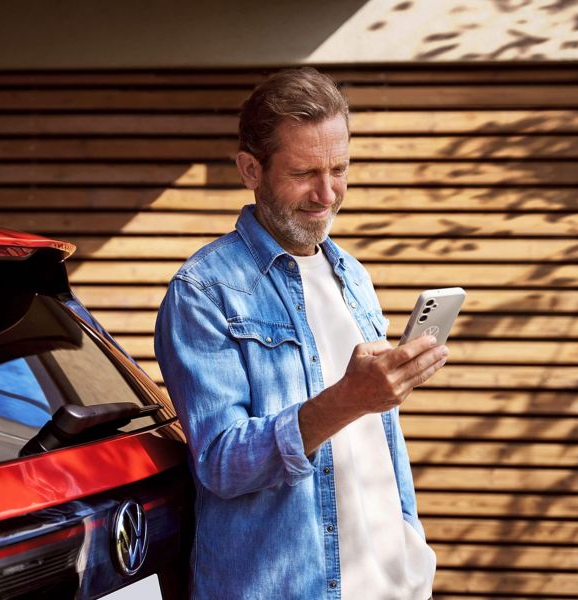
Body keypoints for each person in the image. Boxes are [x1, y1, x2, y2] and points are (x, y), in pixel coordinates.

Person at [154, 67, 447, 600]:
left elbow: (384, 440)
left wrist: (413, 549)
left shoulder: (353, 276)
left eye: (339, 169)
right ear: (250, 169)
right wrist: (345, 400)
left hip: (391, 586)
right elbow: (220, 463)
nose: (327, 193)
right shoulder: (204, 292)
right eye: (304, 172)